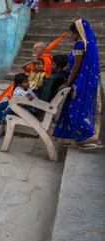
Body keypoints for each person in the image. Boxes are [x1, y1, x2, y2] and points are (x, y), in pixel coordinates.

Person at [53, 20, 103, 149]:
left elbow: (76, 67)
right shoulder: (91, 45)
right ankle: (78, 138)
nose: (71, 35)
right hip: (86, 82)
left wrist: (67, 83)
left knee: (76, 111)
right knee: (79, 110)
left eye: (71, 33)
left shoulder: (80, 44)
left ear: (77, 32)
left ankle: (87, 138)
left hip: (78, 83)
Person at [0, 74, 39, 139]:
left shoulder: (28, 89)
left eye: (28, 81)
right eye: (25, 82)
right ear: (19, 84)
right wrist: (28, 95)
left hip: (23, 107)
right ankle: (2, 130)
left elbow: (34, 97)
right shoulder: (18, 89)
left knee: (33, 109)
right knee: (4, 115)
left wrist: (35, 99)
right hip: (14, 107)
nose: (28, 83)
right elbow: (22, 94)